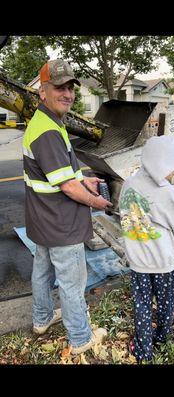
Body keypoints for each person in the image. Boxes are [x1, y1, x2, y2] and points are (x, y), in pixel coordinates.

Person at [23, 59, 112, 355]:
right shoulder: (48, 130)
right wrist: (97, 201)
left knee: (42, 272)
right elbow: (67, 187)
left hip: (42, 219)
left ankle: (42, 318)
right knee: (72, 282)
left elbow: (59, 173)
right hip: (61, 223)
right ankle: (80, 338)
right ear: (42, 92)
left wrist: (83, 178)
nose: (67, 93)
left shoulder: (46, 121)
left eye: (70, 87)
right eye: (59, 87)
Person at [119, 135, 174, 363]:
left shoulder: (129, 185)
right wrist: (172, 242)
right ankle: (163, 337)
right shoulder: (165, 192)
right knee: (166, 304)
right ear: (159, 165)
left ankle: (143, 350)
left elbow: (124, 220)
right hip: (164, 262)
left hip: (139, 263)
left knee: (143, 306)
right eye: (171, 167)